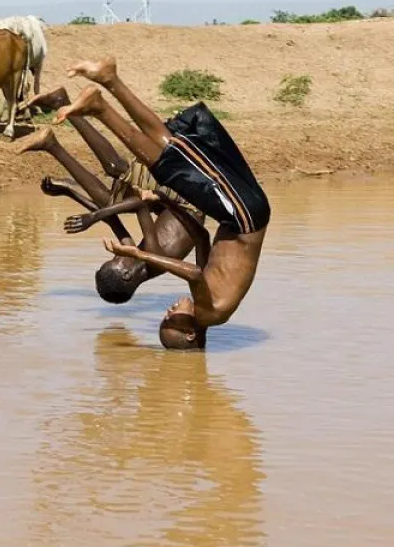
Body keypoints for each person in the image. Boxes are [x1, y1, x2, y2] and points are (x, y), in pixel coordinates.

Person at [50, 57, 271, 351]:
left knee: (172, 150)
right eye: (170, 321)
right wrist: (134, 252)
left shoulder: (209, 304)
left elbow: (203, 237)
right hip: (244, 216)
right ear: (191, 333)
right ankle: (102, 103)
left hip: (238, 216)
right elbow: (191, 273)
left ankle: (106, 86)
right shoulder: (209, 314)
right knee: (169, 164)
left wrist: (167, 199)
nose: (166, 313)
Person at [18, 87, 201, 304]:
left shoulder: (137, 259)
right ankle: (61, 102)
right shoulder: (153, 258)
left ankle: (52, 145)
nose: (115, 255)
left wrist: (70, 193)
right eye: (115, 260)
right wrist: (92, 219)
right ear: (127, 274)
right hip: (190, 196)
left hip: (169, 205)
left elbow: (110, 217)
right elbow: (140, 204)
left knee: (109, 202)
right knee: (116, 168)